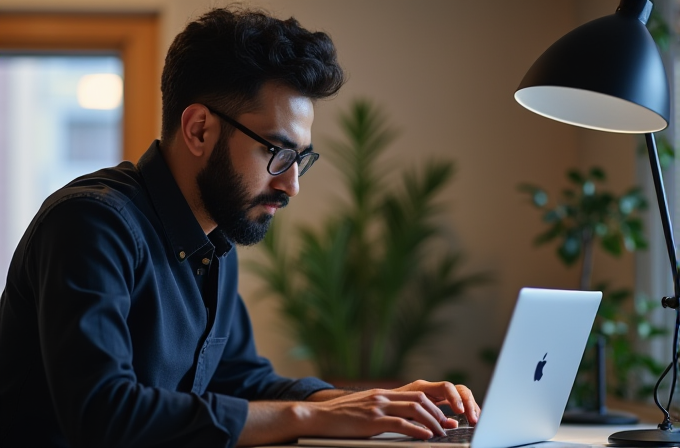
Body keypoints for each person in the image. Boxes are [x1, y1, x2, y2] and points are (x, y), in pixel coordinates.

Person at [0, 6, 480, 447]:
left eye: (301, 158)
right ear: (199, 130)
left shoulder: (213, 240)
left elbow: (246, 382)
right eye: (277, 153)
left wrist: (376, 404)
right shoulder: (92, 224)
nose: (292, 185)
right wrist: (308, 418)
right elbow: (104, 415)